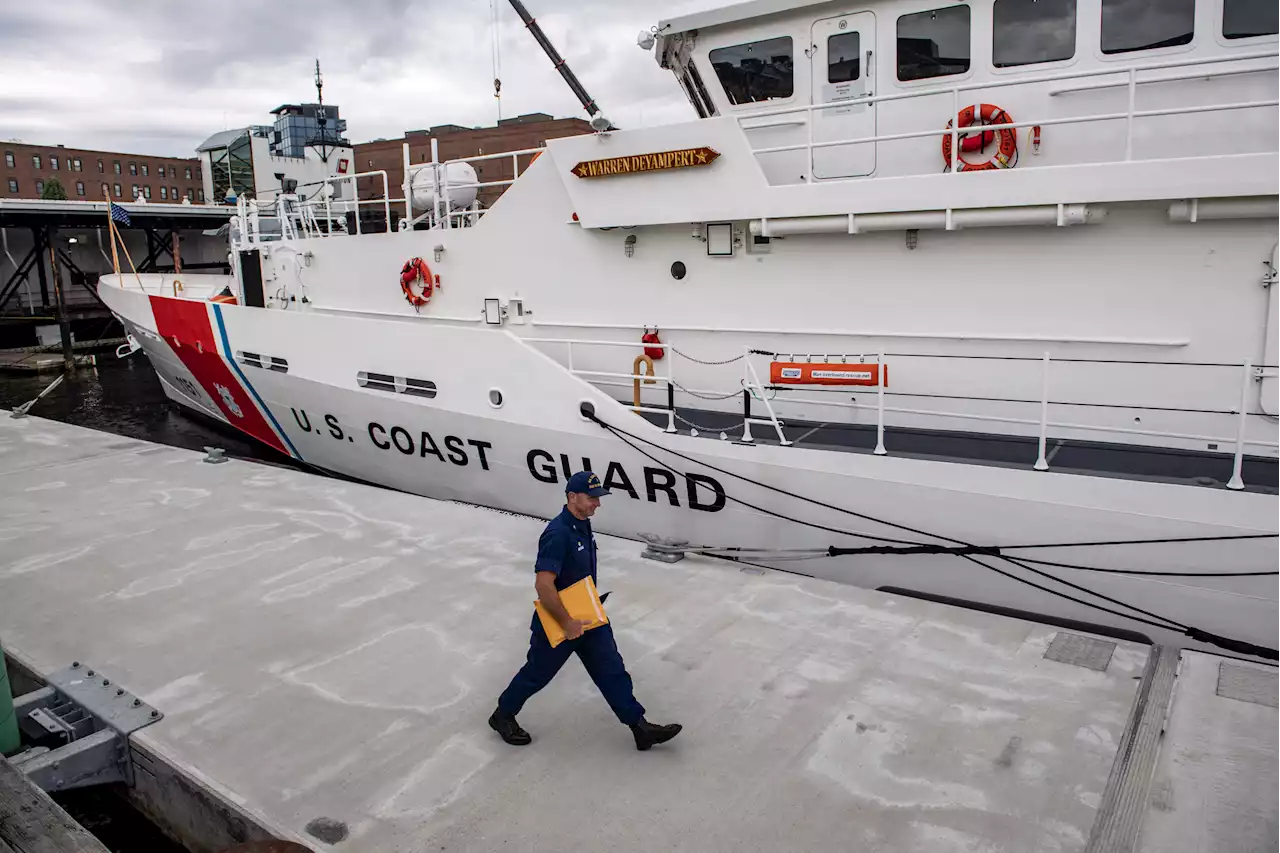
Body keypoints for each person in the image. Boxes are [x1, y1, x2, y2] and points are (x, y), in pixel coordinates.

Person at [490, 471, 682, 751]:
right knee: (536, 674)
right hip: (560, 622)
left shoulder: (582, 523)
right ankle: (502, 715)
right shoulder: (557, 534)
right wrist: (567, 622)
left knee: (612, 670)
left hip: (589, 615)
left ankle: (639, 727)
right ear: (572, 497)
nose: (597, 504)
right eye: (592, 498)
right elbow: (543, 585)